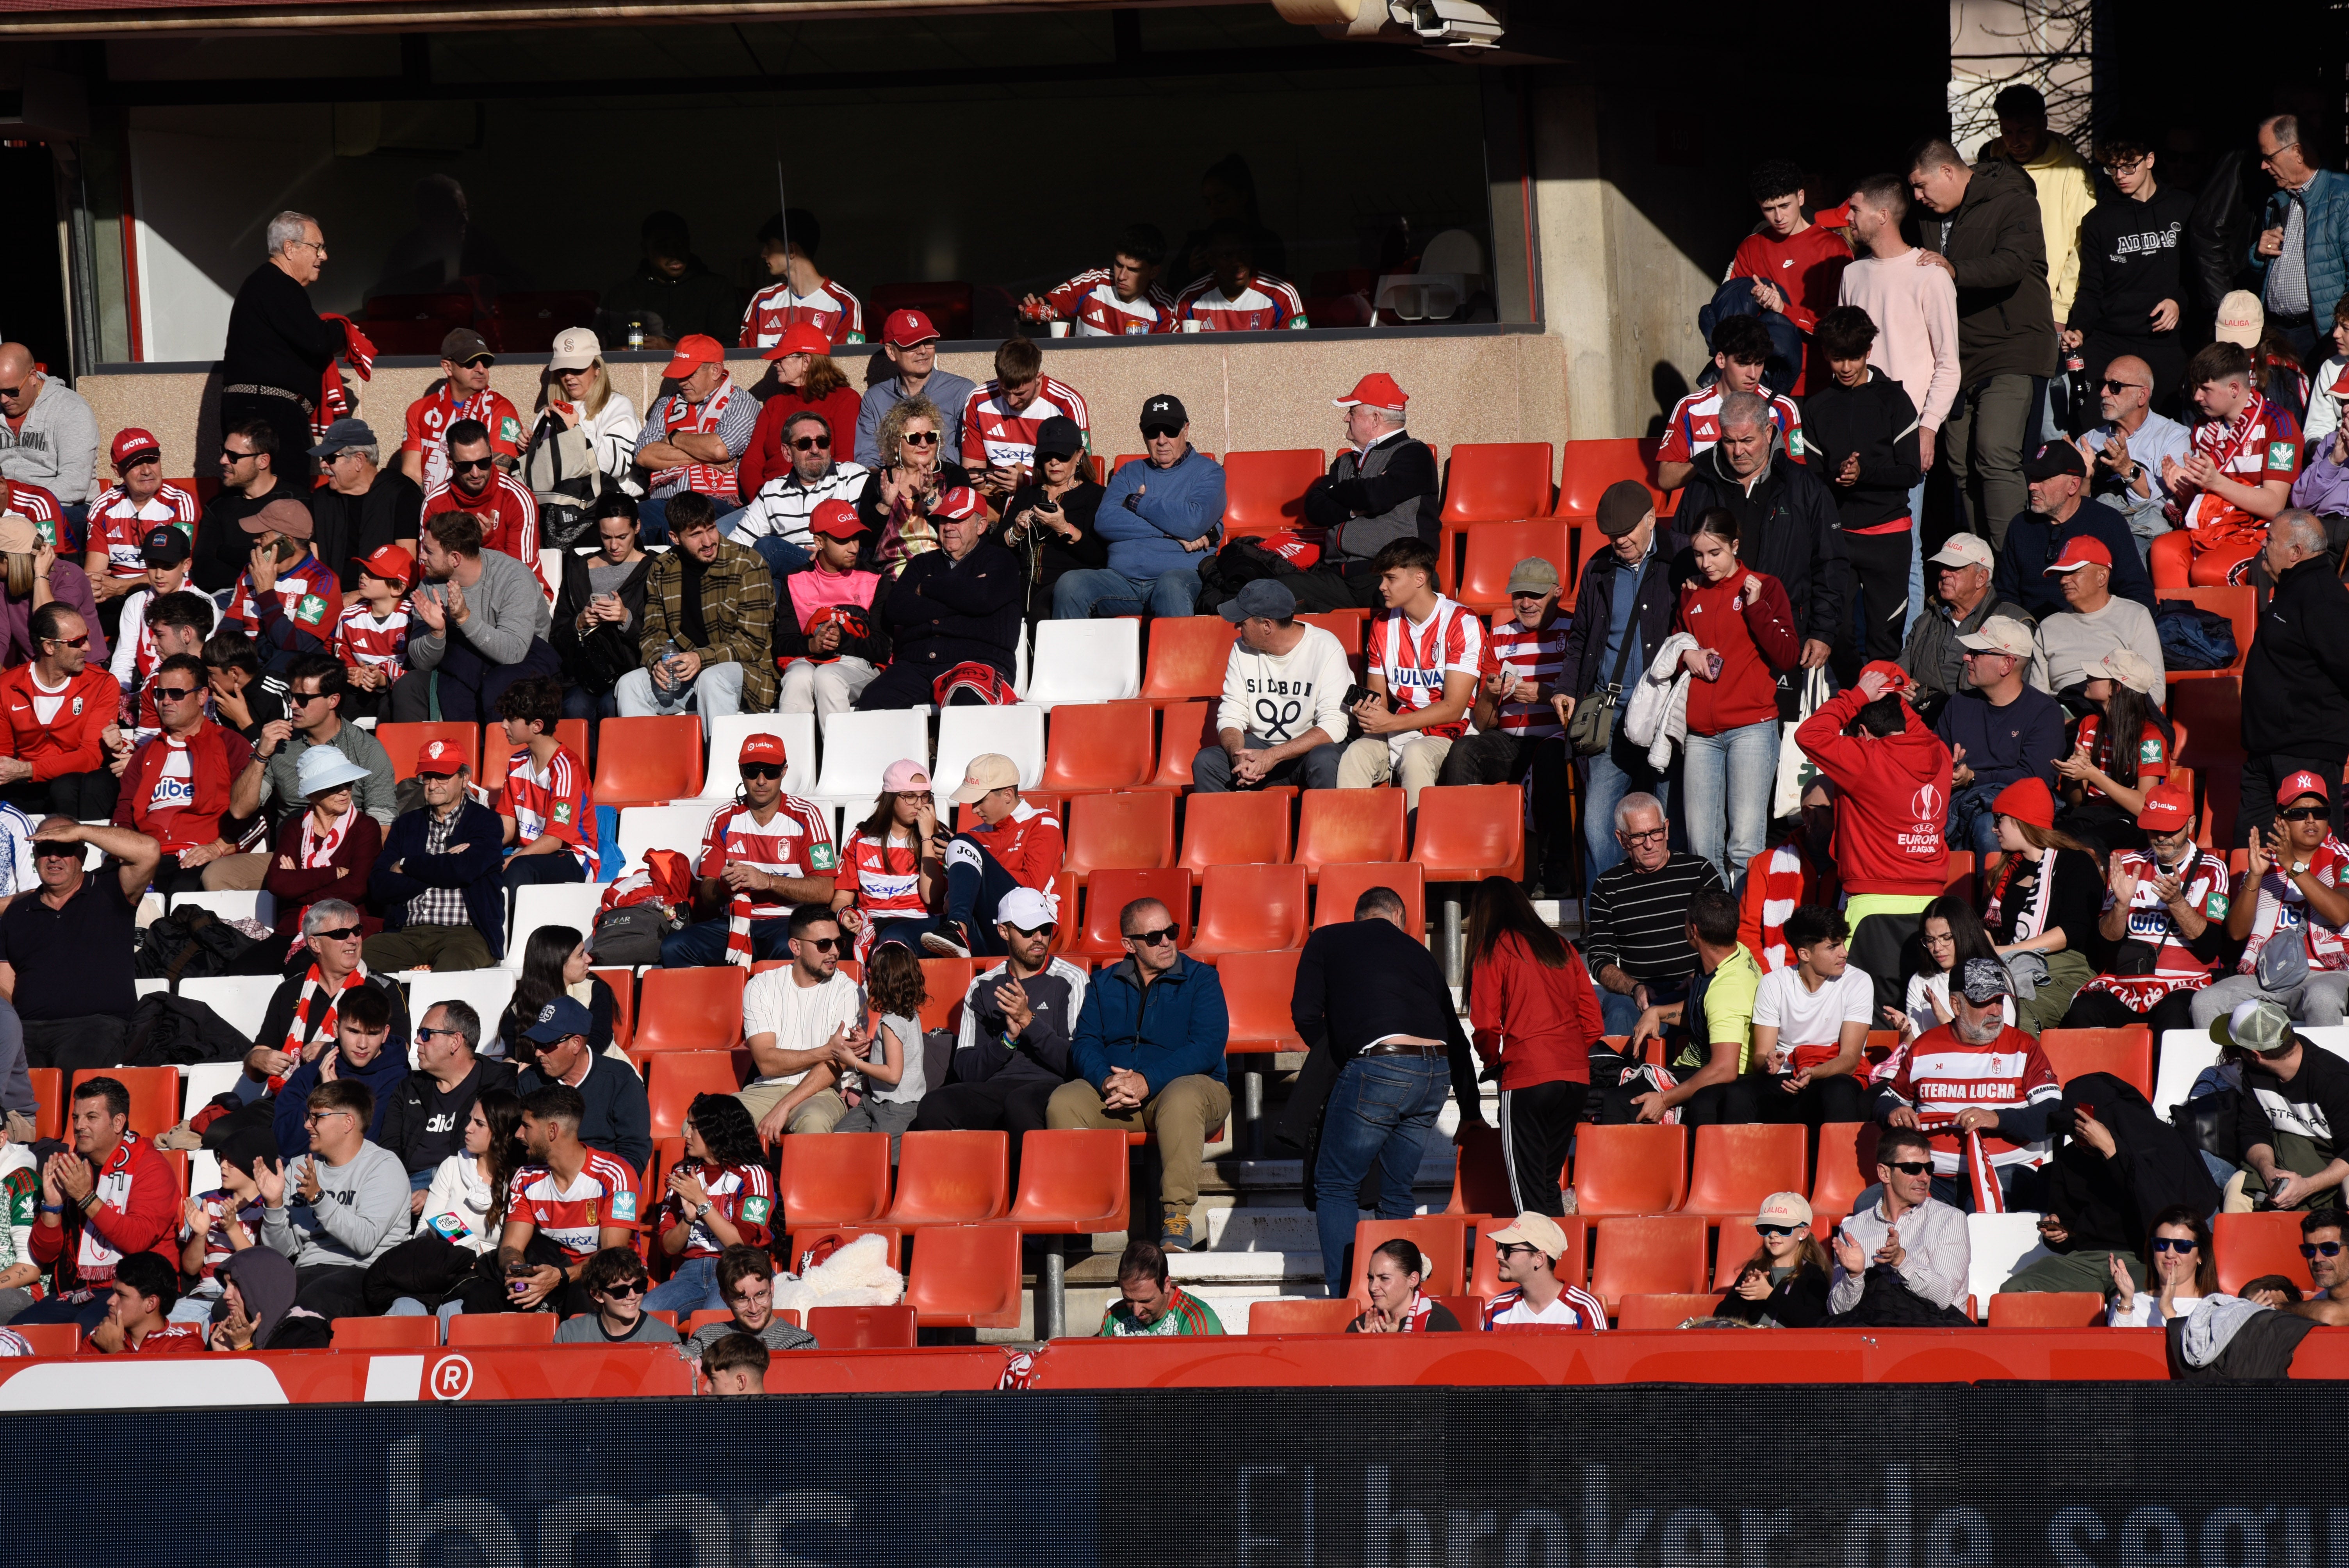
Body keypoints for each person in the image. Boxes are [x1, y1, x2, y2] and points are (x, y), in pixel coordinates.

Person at [1288, 884, 1483, 1283]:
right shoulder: (1420, 953)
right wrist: (1470, 1109)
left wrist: (1340, 1061)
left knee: (1337, 1185)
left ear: (1361, 915)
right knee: (1396, 1193)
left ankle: (1348, 1299)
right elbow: (1456, 1034)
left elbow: (1305, 1014)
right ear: (1400, 918)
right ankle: (1394, 1302)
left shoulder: (1326, 938)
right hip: (1435, 1073)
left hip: (1379, 1065)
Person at [1052, 895, 1231, 1253]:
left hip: (1193, 1089)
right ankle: (1079, 1214)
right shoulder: (1103, 984)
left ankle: (1177, 1217)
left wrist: (1146, 1080)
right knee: (1064, 1101)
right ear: (1129, 945)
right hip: (1120, 1092)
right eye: (1153, 937)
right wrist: (1107, 1081)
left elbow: (1207, 1047)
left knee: (1182, 1098)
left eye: (1171, 931)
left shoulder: (1202, 979)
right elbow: (1085, 1042)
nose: (1166, 941)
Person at [1908, 138, 2059, 547]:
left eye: (1922, 186)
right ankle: (1985, 566)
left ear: (1948, 171)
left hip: (2011, 347)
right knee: (1960, 463)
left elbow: (2011, 264)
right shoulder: (1926, 215)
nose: (1917, 196)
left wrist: (1952, 269)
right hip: (1959, 356)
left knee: (1995, 453)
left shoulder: (2013, 201)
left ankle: (2012, 563)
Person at [1839, 172, 1961, 623]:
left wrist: (1927, 427)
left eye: (1854, 209)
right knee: (1849, 545)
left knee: (1902, 549)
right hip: (1855, 430)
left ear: (1882, 215)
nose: (1847, 217)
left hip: (1904, 434)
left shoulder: (1929, 277)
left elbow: (1949, 363)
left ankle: (1903, 666)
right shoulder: (1852, 275)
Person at [1556, 483, 1691, 884]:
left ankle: (1672, 915)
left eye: (1627, 531)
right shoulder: (1597, 568)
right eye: (1612, 534)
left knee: (1671, 824)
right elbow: (1580, 637)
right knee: (1599, 824)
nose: (1619, 541)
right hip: (1610, 713)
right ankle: (1610, 922)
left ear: (1651, 519)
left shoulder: (1683, 557)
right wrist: (1565, 687)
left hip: (1666, 713)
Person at [1796, 663, 1952, 1004]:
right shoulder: (1940, 754)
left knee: (1866, 1019)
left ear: (1864, 733)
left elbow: (1809, 735)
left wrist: (1857, 696)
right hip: (1932, 909)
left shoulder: (1864, 759)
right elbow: (1914, 729)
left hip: (1873, 907)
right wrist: (1895, 696)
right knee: (1923, 1014)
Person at [1672, 392, 1846, 672]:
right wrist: (1688, 579)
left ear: (1768, 432)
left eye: (1747, 441)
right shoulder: (1701, 485)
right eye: (1729, 441)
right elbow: (1680, 550)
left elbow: (1831, 563)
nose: (1738, 452)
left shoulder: (1804, 487)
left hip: (1784, 635)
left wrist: (1823, 632)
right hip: (1714, 641)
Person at [1669, 507, 1799, 883]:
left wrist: (1756, 607)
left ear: (1735, 547)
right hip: (1700, 736)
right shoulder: (1691, 594)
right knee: (1702, 850)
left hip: (1752, 730)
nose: (1706, 563)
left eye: (1715, 553)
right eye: (1698, 554)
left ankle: (1744, 936)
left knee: (1744, 847)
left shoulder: (1765, 586)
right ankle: (1714, 937)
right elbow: (1674, 651)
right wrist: (1685, 655)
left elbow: (1788, 655)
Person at [909, 887, 1087, 1158]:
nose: (1039, 938)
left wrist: (1029, 1021)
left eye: (1046, 929)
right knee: (934, 1105)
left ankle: (1025, 1197)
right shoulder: (982, 986)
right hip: (995, 1088)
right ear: (1004, 932)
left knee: (1020, 1104)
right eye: (1028, 931)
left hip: (1053, 1085)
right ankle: (958, 1196)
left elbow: (1076, 1064)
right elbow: (967, 1069)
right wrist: (1008, 1040)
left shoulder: (1071, 980)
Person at [2004, 1073, 2217, 1296]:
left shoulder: (2160, 1146)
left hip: (2143, 1258)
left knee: (2133, 1300)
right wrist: (2060, 1232)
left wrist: (2113, 1152)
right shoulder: (2070, 1159)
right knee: (2012, 1290)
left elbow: (2166, 1218)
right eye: (2074, 1133)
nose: (2079, 1141)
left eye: (2085, 1132)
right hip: (2085, 1260)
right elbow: (2068, 1221)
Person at [1465, 875, 1603, 1215]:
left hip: (1529, 1075)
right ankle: (1557, 1264)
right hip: (1574, 1077)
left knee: (1527, 1194)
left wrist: (1492, 1061)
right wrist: (1563, 1051)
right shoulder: (1560, 945)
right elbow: (1594, 1023)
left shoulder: (1493, 948)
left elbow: (1485, 1024)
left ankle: (1538, 1265)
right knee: (1545, 1183)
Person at [1803, 306, 1923, 661]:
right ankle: (1849, 706)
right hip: (1837, 539)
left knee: (1884, 640)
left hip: (1889, 539)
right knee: (1836, 635)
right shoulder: (1816, 407)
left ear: (1869, 352)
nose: (1846, 368)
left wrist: (1863, 474)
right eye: (1838, 358)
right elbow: (1812, 478)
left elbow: (1910, 472)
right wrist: (1838, 477)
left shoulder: (1896, 401)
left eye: (1854, 358)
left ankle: (1881, 714)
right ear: (1826, 354)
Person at [2063, 784, 2229, 1035]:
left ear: (2191, 824)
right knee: (2083, 1010)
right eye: (2155, 828)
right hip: (2129, 982)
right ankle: (2098, 1076)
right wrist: (2120, 906)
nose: (2161, 838)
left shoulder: (2212, 868)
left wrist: (2177, 903)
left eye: (2170, 829)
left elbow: (2211, 948)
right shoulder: (2127, 863)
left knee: (2175, 1013)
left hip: (2185, 982)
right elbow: (2104, 949)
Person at [12, 1076, 178, 1328]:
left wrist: (85, 1197)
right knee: (19, 1332)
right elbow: (44, 1255)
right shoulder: (72, 1166)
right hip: (78, 1291)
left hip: (135, 1291)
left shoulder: (151, 1167)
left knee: (88, 1327)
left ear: (118, 1122)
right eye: (76, 1118)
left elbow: (137, 1239)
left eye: (91, 1117)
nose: (80, 1126)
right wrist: (53, 1205)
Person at [663, 732, 836, 968]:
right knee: (674, 948)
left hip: (791, 920)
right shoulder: (722, 819)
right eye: (753, 771)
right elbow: (708, 896)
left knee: (787, 951)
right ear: (741, 771)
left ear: (784, 772)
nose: (762, 781)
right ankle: (714, 1004)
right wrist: (726, 884)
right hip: (736, 919)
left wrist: (766, 881)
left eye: (771, 771)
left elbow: (825, 890)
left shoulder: (806, 816)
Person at [1336, 538, 1480, 813]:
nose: (1382, 587)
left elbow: (1454, 708)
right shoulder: (1381, 626)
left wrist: (1390, 722)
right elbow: (1379, 699)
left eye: (1390, 578)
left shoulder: (1462, 622)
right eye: (1382, 578)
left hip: (1450, 733)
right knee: (1355, 754)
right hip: (1397, 728)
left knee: (1416, 755)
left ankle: (1418, 845)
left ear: (1419, 578)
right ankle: (1354, 847)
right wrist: (1368, 712)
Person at [0, 819, 155, 1070]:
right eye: (45, 849)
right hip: (26, 1029)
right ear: (35, 855)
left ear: (82, 854)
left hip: (95, 1026)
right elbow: (4, 987)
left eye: (65, 849)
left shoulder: (111, 889)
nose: (53, 857)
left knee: (74, 1078)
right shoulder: (17, 913)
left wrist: (81, 831)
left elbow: (149, 851)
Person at [107, 652, 266, 897]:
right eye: (161, 694)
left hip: (200, 857)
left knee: (183, 893)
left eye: (177, 694)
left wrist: (220, 847)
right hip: (149, 855)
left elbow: (256, 812)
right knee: (99, 888)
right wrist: (123, 851)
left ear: (202, 696)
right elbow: (125, 810)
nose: (166, 701)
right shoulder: (145, 754)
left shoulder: (231, 745)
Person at [2199, 771, 2349, 1028]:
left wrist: (2292, 866)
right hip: (2266, 975)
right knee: (2206, 1002)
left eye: (2320, 813)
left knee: (2323, 998)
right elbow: (2236, 932)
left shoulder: (2342, 858)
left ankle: (2326, 1070)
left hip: (2327, 973)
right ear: (2281, 821)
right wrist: (2255, 877)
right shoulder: (2265, 863)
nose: (2311, 820)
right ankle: (2226, 1069)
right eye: (2299, 814)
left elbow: (2341, 913)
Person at [1600, 887, 1757, 1128]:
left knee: (1619, 1102)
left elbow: (1725, 1069)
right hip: (1693, 1068)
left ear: (1693, 930)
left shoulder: (1726, 990)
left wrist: (1664, 1100)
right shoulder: (1735, 955)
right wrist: (1657, 1012)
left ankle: (1624, 1166)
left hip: (1713, 1076)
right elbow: (1706, 1013)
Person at [254, 1076, 408, 1320]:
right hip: (304, 1271)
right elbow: (281, 1254)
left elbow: (364, 1241)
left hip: (362, 1274)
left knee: (308, 1306)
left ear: (348, 1122)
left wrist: (318, 1197)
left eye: (318, 1117)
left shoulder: (384, 1167)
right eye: (309, 1116)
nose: (307, 1125)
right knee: (239, 1305)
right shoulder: (298, 1167)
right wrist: (273, 1206)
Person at [1054, 394, 1221, 620]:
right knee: (1071, 584)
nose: (1162, 441)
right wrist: (1171, 531)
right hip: (1122, 581)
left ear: (1186, 430)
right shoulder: (1128, 472)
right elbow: (1105, 521)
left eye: (1170, 431)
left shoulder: (1209, 473)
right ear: (1144, 435)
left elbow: (1192, 522)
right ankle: (1073, 656)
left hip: (1182, 577)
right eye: (1153, 433)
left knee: (1170, 585)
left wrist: (1137, 502)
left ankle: (1181, 657)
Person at [854, 488, 1021, 710]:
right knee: (873, 699)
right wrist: (965, 599)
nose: (949, 527)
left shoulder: (1001, 561)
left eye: (959, 519)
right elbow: (896, 609)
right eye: (944, 519)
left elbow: (983, 597)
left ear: (981, 526)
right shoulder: (922, 563)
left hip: (977, 661)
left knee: (966, 699)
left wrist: (930, 586)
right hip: (917, 663)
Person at [2240, 510, 2349, 846]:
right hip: (2267, 752)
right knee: (2250, 859)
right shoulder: (2292, 591)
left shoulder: (2322, 594)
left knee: (2314, 860)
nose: (2263, 544)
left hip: (2305, 754)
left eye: (2270, 539)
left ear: (2296, 552)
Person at [1288, 373, 1440, 612]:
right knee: (1270, 595)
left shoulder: (1414, 455)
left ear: (1375, 418)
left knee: (1399, 609)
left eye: (1352, 411)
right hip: (1338, 578)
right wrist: (1351, 509)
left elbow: (1375, 497)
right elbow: (1314, 508)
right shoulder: (1345, 462)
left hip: (1394, 574)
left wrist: (1336, 490)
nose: (1346, 418)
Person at [393, 510, 561, 725]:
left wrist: (464, 618)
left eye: (429, 551)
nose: (422, 557)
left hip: (526, 661)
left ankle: (496, 754)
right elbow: (421, 663)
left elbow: (514, 653)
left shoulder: (513, 577)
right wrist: (436, 633)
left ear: (455, 558)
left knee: (495, 683)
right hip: (465, 662)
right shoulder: (430, 583)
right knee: (413, 685)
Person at [618, 492, 774, 720]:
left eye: (711, 529)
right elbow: (654, 631)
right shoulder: (663, 568)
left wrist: (702, 658)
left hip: (748, 674)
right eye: (696, 535)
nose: (709, 542)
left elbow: (752, 644)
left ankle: (720, 756)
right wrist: (656, 662)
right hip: (688, 673)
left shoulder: (748, 565)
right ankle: (647, 756)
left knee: (713, 679)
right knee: (630, 685)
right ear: (675, 537)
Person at [2157, 341, 2300, 587]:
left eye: (2205, 389)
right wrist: (2187, 492)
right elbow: (2206, 506)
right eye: (2195, 388)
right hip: (2212, 529)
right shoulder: (2203, 428)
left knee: (2208, 570)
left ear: (2234, 388)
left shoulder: (2279, 425)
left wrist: (2216, 482)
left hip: (2259, 533)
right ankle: (2177, 624)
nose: (2196, 397)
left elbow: (2274, 505)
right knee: (2163, 551)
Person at [2066, 135, 2193, 411]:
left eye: (2128, 167)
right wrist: (2078, 328)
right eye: (2112, 168)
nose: (2119, 176)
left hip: (2166, 344)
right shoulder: (2098, 221)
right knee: (2099, 429)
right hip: (2110, 340)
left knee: (2169, 428)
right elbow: (2091, 286)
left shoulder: (2184, 207)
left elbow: (2199, 277)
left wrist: (2178, 302)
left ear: (2150, 160)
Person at [1583, 792, 1725, 1039]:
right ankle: (1617, 1076)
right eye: (1638, 837)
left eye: (1656, 833)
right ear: (1622, 839)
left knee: (1706, 1006)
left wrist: (1700, 975)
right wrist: (1635, 988)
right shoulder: (1607, 886)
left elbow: (1726, 938)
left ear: (1667, 829)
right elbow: (1599, 959)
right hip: (1638, 995)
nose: (1650, 844)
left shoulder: (1699, 873)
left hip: (1696, 986)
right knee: (1618, 1013)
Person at [495, 1083, 643, 1317]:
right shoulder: (525, 1178)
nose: (518, 1135)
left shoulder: (615, 1174)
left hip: (606, 1282)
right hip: (550, 1273)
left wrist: (560, 1276)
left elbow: (612, 1255)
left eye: (526, 1126)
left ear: (552, 1131)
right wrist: (517, 1270)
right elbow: (512, 1246)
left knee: (584, 1297)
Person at [217, 212, 346, 476]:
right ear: (290, 248)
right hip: (269, 413)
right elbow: (319, 341)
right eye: (318, 247)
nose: (323, 256)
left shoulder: (266, 284)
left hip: (258, 409)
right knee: (286, 498)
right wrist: (342, 328)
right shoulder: (277, 284)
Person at [1193, 578, 1349, 795]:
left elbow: (1334, 725)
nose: (1237, 627)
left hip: (1308, 752)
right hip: (1261, 747)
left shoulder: (1326, 648)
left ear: (1267, 626)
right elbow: (1232, 713)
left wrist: (1273, 756)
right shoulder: (1241, 649)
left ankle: (1325, 828)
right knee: (1208, 762)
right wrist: (1238, 756)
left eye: (1243, 622)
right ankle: (1226, 829)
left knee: (1326, 760)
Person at [364, 737, 506, 971]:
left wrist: (406, 864)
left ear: (464, 779)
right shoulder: (407, 824)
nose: (432, 785)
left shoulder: (486, 822)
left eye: (443, 776)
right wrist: (444, 865)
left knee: (451, 966)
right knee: (355, 963)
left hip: (465, 934)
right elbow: (379, 885)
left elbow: (463, 870)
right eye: (427, 777)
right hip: (406, 933)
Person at [1979, 779, 2103, 1034]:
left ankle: (2023, 1074)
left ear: (2020, 819)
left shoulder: (2075, 863)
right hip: (2010, 967)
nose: (1994, 829)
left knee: (2016, 1011)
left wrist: (2008, 951)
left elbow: (2073, 930)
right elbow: (1988, 925)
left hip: (2063, 969)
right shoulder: (2007, 871)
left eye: (1999, 819)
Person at [1935, 615, 2067, 855]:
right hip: (1957, 802)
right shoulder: (1958, 704)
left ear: (2006, 664)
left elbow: (2035, 778)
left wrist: (1974, 778)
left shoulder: (2045, 712)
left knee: (1990, 827)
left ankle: (1992, 893)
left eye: (1976, 653)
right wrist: (1948, 768)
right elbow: (1933, 756)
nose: (1966, 658)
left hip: (2016, 808)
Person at [739, 905, 868, 1142]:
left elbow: (836, 1065)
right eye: (823, 944)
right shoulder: (761, 986)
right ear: (796, 947)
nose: (834, 952)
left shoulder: (849, 991)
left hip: (821, 1091)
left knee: (815, 1121)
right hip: (764, 1090)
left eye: (839, 943)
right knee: (704, 1123)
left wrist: (784, 1106)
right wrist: (826, 1050)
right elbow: (767, 1063)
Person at [1824, 1124, 1972, 1325]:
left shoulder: (1950, 1219)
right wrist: (1855, 1276)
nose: (1925, 1177)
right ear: (1885, 1173)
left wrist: (1902, 1260)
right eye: (1913, 1169)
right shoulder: (1853, 1229)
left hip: (1934, 1337)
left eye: (1929, 1168)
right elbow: (1838, 1311)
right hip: (1874, 1339)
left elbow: (1944, 1297)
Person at [1727, 160, 1853, 395]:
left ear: (1801, 197)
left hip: (1822, 381)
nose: (1778, 217)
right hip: (1763, 382)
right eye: (1769, 209)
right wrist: (1752, 301)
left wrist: (1783, 309)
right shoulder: (1750, 247)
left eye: (1785, 205)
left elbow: (1842, 321)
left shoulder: (1834, 248)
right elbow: (1732, 319)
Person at [1975, 84, 2097, 326]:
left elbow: (2084, 244)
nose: (2015, 142)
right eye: (2007, 132)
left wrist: (2062, 309)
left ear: (2043, 124)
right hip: (1994, 306)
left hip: (2046, 310)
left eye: (2024, 131)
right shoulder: (1989, 169)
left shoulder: (2072, 169)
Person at [921, 754, 1062, 959]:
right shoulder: (974, 836)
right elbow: (948, 903)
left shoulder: (1044, 822)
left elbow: (1030, 888)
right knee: (895, 937)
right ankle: (957, 930)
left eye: (980, 801)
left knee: (961, 843)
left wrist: (975, 860)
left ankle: (958, 927)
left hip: (1030, 928)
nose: (974, 809)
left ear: (1007, 795)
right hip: (981, 926)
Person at [2216, 997, 2349, 1213]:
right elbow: (2252, 1130)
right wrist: (2268, 1171)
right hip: (2283, 1159)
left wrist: (2307, 1187)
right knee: (2237, 1190)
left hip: (2337, 1167)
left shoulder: (2334, 1079)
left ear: (2255, 1055)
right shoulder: (2254, 1073)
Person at [1995, 442, 2155, 620]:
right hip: (2029, 634)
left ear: (2073, 485)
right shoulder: (2021, 525)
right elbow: (2006, 594)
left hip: (2092, 634)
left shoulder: (2106, 522)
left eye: (2043, 479)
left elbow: (2138, 594)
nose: (2032, 486)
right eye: (2033, 478)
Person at [1744, 904, 1870, 1128]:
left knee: (1839, 1089)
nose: (1845, 953)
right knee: (1738, 1093)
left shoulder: (1858, 981)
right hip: (1787, 1077)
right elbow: (1761, 1057)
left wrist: (1812, 1073)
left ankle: (1839, 1164)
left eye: (1843, 942)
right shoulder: (1773, 983)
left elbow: (1851, 1060)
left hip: (1832, 1074)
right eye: (1833, 946)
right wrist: (1768, 1064)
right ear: (1804, 954)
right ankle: (1736, 1163)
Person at [647, 1093, 772, 1314]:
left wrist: (702, 1202)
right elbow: (668, 1247)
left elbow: (740, 1245)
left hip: (739, 1269)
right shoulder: (682, 1174)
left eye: (694, 1127)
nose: (686, 1134)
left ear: (718, 1131)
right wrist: (688, 1219)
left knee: (715, 1318)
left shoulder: (754, 1175)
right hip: (690, 1273)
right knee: (647, 1312)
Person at [1652, 315, 1809, 492]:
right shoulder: (1690, 407)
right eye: (1743, 364)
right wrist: (1712, 461)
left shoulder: (1783, 408)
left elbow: (1798, 476)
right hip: (1710, 514)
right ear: (1721, 360)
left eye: (1759, 363)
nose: (1753, 374)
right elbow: (1666, 479)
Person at [0, 600, 120, 820]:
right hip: (25, 785)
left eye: (87, 637)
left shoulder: (102, 683)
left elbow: (91, 757)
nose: (88, 647)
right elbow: (4, 755)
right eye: (78, 642)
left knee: (65, 787)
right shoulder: (6, 686)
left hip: (73, 782)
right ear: (49, 647)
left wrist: (30, 770)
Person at [380, 1001, 516, 1192]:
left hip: (467, 1184)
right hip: (407, 1186)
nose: (418, 1040)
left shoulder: (497, 1085)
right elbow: (389, 1152)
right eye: (419, 1033)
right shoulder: (409, 1088)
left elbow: (498, 1152)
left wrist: (436, 1192)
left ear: (455, 1041)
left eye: (426, 1034)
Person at [2249, 114, 2349, 372]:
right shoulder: (2279, 199)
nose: (2263, 166)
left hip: (2319, 336)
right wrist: (2259, 254)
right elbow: (2265, 267)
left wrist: (2339, 335)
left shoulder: (2341, 195)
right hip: (2275, 333)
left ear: (2298, 153)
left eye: (2269, 157)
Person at [633, 334, 755, 542]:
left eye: (689, 374)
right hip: (664, 502)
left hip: (713, 504)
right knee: (630, 523)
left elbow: (720, 449)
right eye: (679, 375)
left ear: (715, 371)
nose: (682, 382)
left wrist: (674, 437)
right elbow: (644, 455)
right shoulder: (666, 404)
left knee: (684, 525)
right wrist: (705, 459)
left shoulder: (740, 402)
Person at [1897, 533, 2045, 706]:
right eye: (1943, 567)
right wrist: (1899, 685)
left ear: (1981, 578)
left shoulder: (2014, 623)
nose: (1944, 573)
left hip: (1978, 721)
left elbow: (2021, 692)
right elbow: (1899, 672)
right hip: (1919, 719)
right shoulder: (1927, 617)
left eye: (1954, 568)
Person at [267, 977, 407, 1157]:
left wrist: (335, 1099)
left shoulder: (401, 1080)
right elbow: (284, 1144)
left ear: (386, 1033)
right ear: (336, 1028)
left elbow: (366, 1148)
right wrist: (323, 1094)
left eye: (373, 1034)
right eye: (354, 1032)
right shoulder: (308, 1076)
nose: (362, 1044)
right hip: (306, 1176)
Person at [736, 325, 866, 515]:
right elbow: (751, 462)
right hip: (766, 504)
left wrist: (800, 504)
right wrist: (762, 503)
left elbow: (845, 462)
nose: (776, 364)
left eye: (782, 358)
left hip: (816, 506)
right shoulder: (775, 405)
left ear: (806, 362)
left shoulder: (845, 399)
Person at [733, 403, 867, 583]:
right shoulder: (773, 491)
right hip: (796, 577)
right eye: (804, 444)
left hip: (838, 570)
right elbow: (739, 543)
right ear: (787, 453)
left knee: (769, 548)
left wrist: (830, 554)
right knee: (770, 584)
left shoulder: (852, 476)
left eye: (822, 442)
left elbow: (871, 536)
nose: (815, 450)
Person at [515, 999, 651, 1175]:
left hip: (604, 1186)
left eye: (546, 1045)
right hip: (545, 1186)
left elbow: (634, 1151)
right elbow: (520, 1147)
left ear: (576, 1043)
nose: (537, 1053)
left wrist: (593, 1186)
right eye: (536, 1043)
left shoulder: (620, 1080)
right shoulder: (530, 1081)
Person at [2053, 648, 2170, 851]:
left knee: (2090, 843)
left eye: (2097, 675)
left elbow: (2144, 806)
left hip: (2131, 821)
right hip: (2090, 814)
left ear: (2115, 689)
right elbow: (2077, 802)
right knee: (2050, 839)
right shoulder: (2089, 724)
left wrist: (2093, 774)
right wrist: (2076, 774)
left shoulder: (2150, 738)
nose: (2088, 677)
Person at [994, 414, 1105, 628]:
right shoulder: (1027, 494)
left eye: (1062, 456)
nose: (1054, 462)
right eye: (1048, 456)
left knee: (1042, 610)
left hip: (1067, 585)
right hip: (1023, 581)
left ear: (1079, 454)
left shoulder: (1095, 496)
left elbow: (1098, 556)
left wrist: (1063, 528)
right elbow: (997, 546)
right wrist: (1017, 530)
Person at [552, 495, 651, 734]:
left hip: (631, 669)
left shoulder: (654, 569)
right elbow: (557, 636)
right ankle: (577, 771)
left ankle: (613, 770)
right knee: (573, 709)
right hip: (585, 673)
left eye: (622, 537)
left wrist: (626, 618)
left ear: (637, 528)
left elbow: (662, 633)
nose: (614, 545)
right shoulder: (578, 568)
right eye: (606, 537)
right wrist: (579, 623)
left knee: (611, 706)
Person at [528, 329, 643, 527]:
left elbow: (620, 464)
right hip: (558, 511)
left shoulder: (617, 405)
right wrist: (529, 447)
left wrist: (575, 432)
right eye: (563, 371)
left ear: (597, 368)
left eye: (578, 369)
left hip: (608, 512)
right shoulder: (547, 413)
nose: (569, 377)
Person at [83, 426, 197, 626]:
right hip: (115, 596)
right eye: (135, 464)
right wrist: (101, 588)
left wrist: (122, 587)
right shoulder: (103, 506)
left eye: (152, 460)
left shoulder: (180, 501)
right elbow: (95, 575)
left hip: (166, 592)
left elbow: (178, 572)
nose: (146, 471)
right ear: (117, 470)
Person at [2080, 355, 2191, 559]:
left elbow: (2169, 502)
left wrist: (2128, 470)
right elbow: (2077, 509)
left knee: (2127, 550)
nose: (2104, 393)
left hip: (2147, 532)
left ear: (2142, 395)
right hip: (2097, 527)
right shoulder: (2089, 441)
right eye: (2102, 384)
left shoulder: (2173, 435)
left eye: (2115, 386)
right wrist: (2085, 480)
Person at [494, 676, 597, 892]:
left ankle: (514, 927)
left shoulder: (566, 768)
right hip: (528, 854)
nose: (503, 725)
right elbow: (507, 827)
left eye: (511, 719)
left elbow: (554, 840)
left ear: (537, 726)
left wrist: (510, 861)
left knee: (518, 869)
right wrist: (477, 846)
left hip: (573, 858)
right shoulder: (516, 762)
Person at [832, 762, 943, 959]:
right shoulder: (861, 837)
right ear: (890, 799)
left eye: (925, 796)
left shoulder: (938, 838)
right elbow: (841, 899)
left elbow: (931, 898)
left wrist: (927, 837)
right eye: (910, 797)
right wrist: (844, 913)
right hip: (870, 921)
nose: (919, 805)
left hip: (917, 922)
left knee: (891, 941)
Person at [303, 418, 422, 595]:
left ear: (359, 460)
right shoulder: (323, 499)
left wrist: (360, 597)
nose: (323, 465)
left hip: (386, 601)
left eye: (330, 458)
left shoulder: (401, 494)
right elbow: (313, 565)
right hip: (329, 597)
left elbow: (406, 566)